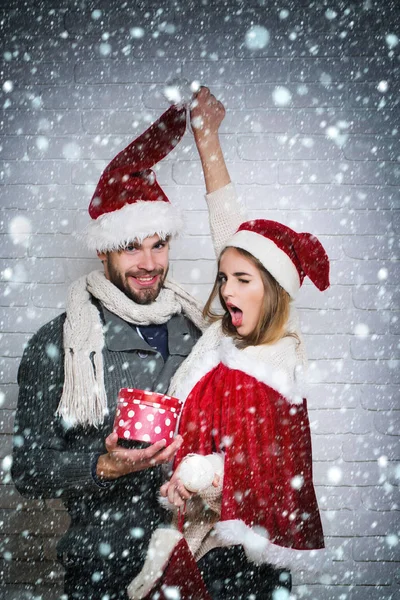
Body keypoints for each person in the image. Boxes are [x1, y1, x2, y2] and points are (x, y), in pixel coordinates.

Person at [11, 94, 233, 600]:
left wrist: (208, 143)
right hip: (102, 570)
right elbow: (27, 471)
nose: (149, 263)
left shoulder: (198, 332)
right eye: (132, 245)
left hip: (199, 564)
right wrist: (104, 465)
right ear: (102, 248)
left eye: (159, 244)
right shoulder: (62, 343)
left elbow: (246, 270)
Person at [128, 89, 329, 600]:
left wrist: (198, 478)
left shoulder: (272, 366)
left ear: (273, 291)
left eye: (243, 280)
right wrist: (206, 138)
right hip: (196, 543)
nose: (226, 290)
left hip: (239, 570)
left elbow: (262, 474)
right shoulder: (224, 336)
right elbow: (230, 232)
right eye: (223, 278)